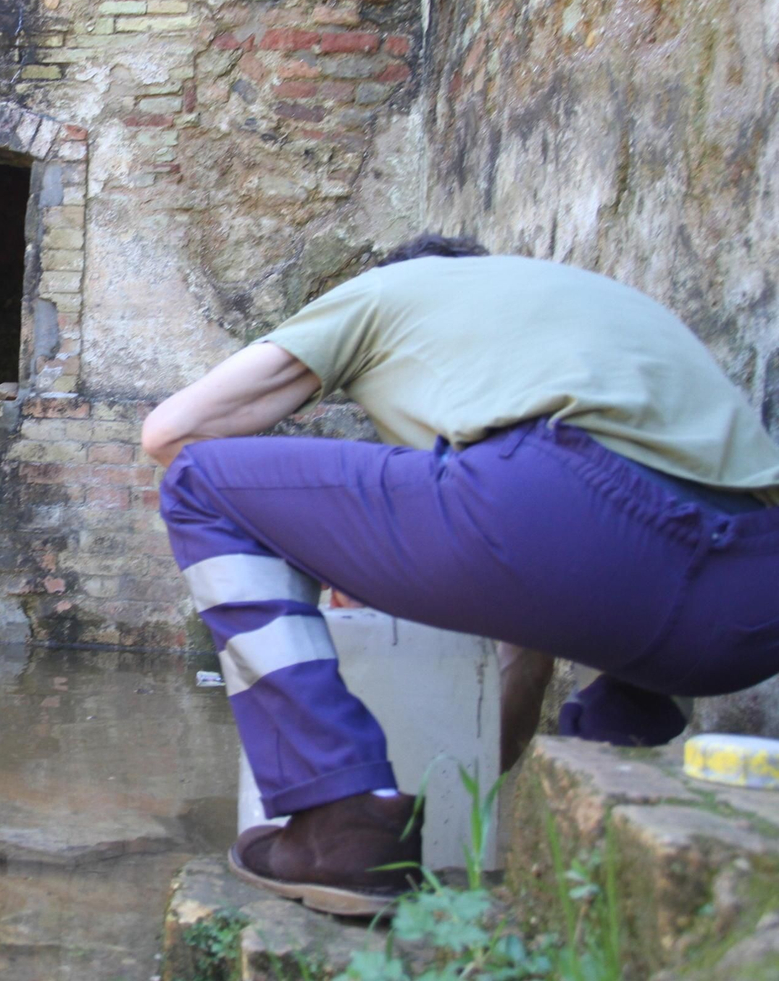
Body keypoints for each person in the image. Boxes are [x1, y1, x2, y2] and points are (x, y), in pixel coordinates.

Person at [141, 235, 779, 917]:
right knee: (631, 589)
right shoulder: (598, 312)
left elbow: (170, 430)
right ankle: (582, 845)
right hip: (748, 612)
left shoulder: (390, 290)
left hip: (554, 512)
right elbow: (539, 621)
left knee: (200, 485)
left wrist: (321, 546)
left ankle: (339, 814)